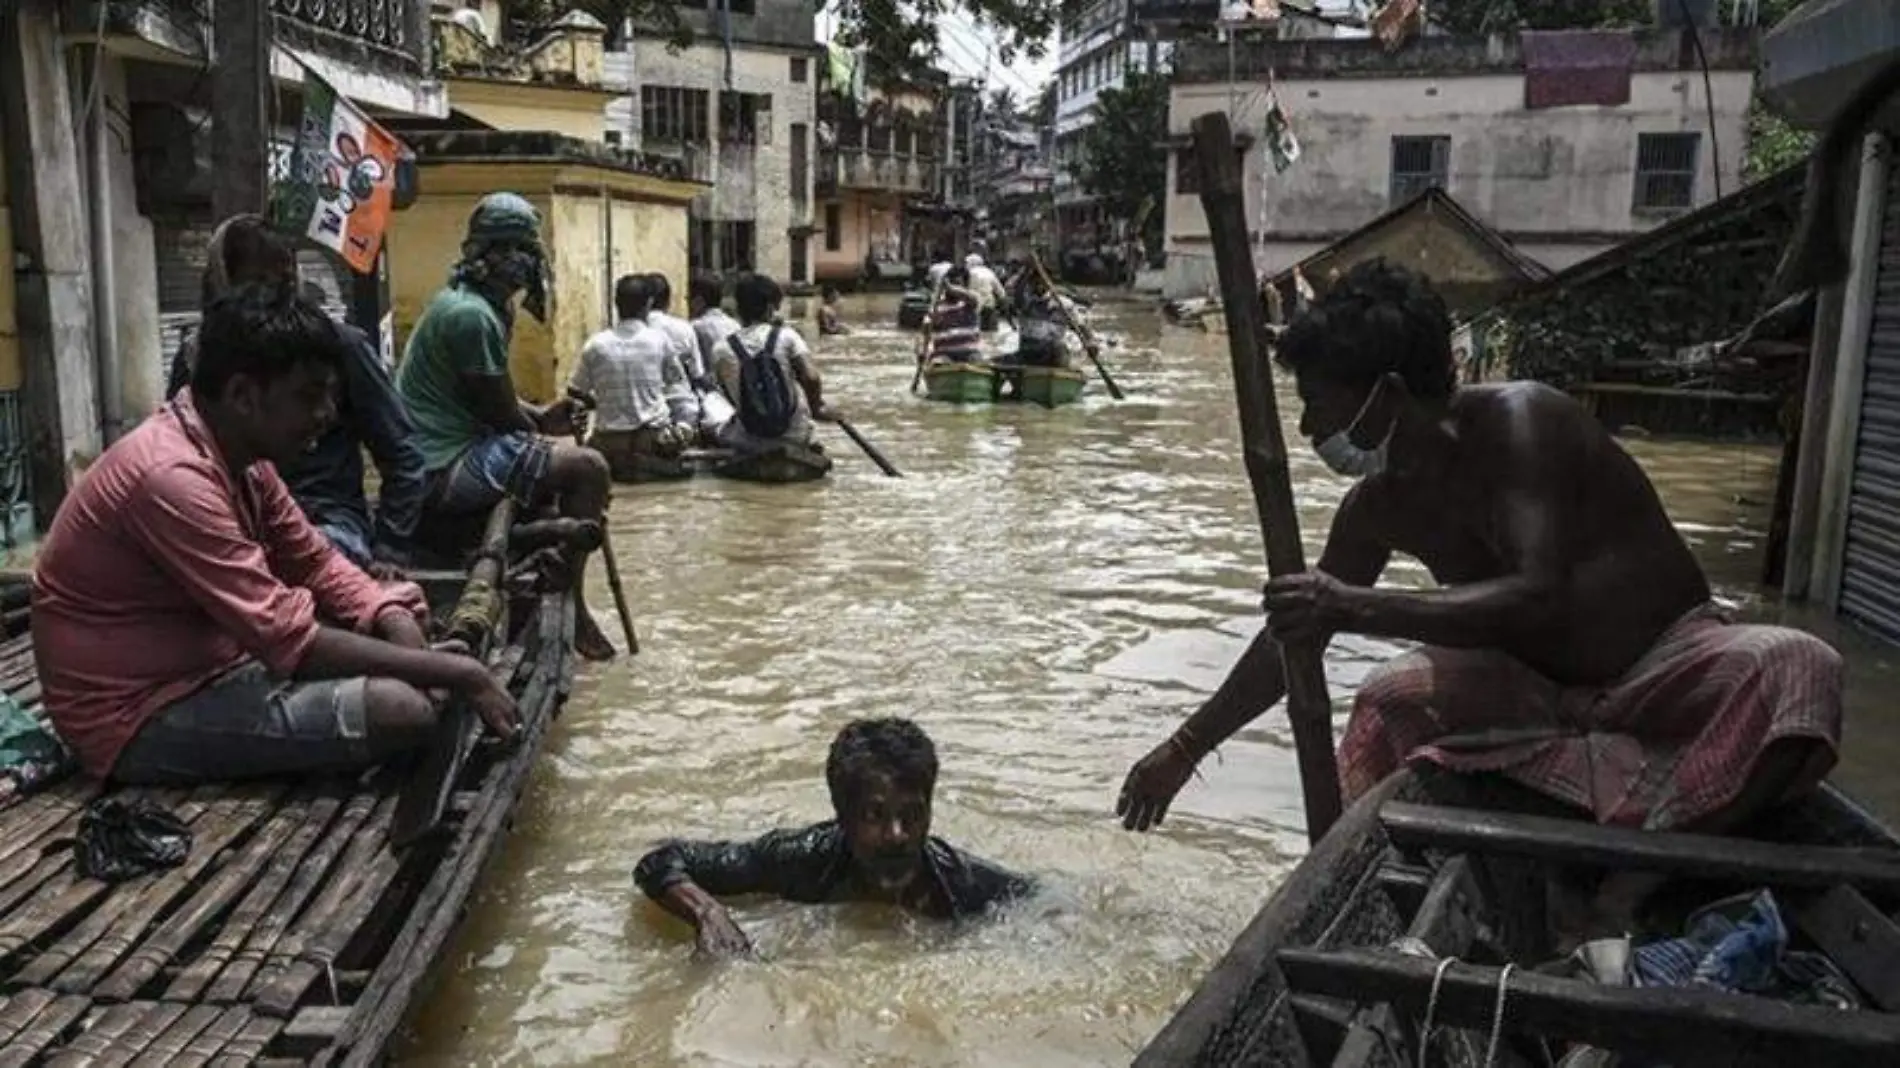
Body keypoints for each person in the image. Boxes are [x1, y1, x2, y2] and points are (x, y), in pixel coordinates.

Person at [1114, 259, 1844, 929]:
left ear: (1388, 396)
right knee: (1390, 700)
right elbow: (1296, 639)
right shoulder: (1377, 506)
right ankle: (1368, 901)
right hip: (1534, 692)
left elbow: (1537, 594)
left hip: (1664, 668)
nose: (1309, 430)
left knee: (1797, 666)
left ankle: (1647, 873)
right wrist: (1184, 748)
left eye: (1318, 406)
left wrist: (1356, 605)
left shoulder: (1524, 421)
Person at [32, 285, 520, 785]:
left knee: (395, 611)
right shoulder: (170, 477)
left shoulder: (242, 460)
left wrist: (390, 617)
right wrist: (451, 672)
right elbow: (291, 639)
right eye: (309, 397)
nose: (328, 414)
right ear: (244, 396)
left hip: (215, 667)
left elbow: (315, 562)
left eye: (330, 396)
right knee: (401, 709)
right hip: (136, 716)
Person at [394, 191, 617, 662]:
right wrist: (538, 427)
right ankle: (573, 601)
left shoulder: (481, 307)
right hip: (440, 467)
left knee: (555, 460)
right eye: (504, 250)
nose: (516, 262)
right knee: (590, 466)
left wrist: (539, 417)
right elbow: (498, 414)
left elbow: (492, 396)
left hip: (445, 451)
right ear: (480, 253)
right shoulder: (470, 315)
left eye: (523, 250)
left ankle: (546, 571)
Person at [633, 718, 1036, 956]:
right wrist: (708, 914)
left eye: (912, 815)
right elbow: (661, 861)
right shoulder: (798, 859)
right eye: (876, 816)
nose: (897, 836)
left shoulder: (961, 884)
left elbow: (1045, 902)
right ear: (841, 816)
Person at [163, 216, 427, 574]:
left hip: (325, 520)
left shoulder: (336, 346)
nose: (269, 299)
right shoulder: (198, 359)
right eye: (255, 285)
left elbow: (402, 451)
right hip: (231, 520)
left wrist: (391, 551)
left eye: (283, 284)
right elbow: (183, 450)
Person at [569, 275, 697, 481]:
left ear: (616, 304)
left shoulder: (596, 344)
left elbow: (575, 390)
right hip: (652, 438)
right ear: (648, 304)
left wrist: (601, 401)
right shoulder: (660, 341)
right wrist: (685, 427)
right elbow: (679, 389)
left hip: (608, 442)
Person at [710, 272, 829, 456]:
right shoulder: (788, 336)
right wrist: (817, 408)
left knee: (713, 418)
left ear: (737, 309)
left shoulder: (721, 349)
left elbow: (727, 394)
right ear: (769, 308)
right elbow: (811, 378)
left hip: (748, 439)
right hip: (796, 435)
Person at [687, 273, 740, 443]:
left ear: (699, 301)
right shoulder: (734, 324)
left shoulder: (696, 327)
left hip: (713, 395)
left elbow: (697, 372)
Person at [926, 266, 984, 364]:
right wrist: (921, 352)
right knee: (938, 363)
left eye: (959, 284)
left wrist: (951, 288)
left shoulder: (972, 301)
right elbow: (925, 333)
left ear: (965, 286)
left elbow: (969, 297)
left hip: (970, 352)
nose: (956, 288)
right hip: (943, 353)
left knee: (977, 362)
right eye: (953, 283)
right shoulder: (937, 306)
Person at [964, 253, 1008, 333]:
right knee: (991, 333)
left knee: (975, 333)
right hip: (989, 305)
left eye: (967, 263)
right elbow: (1000, 291)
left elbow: (966, 290)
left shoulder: (969, 273)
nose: (965, 265)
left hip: (975, 307)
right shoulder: (989, 272)